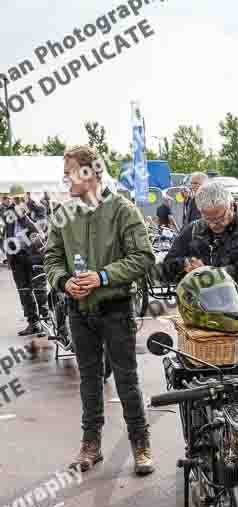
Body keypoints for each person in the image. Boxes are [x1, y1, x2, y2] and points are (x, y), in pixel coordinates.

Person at [44, 145, 156, 475]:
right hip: (78, 311)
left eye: (70, 172)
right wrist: (63, 281)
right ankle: (90, 445)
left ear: (90, 172)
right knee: (89, 380)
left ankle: (141, 443)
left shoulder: (122, 209)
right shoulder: (63, 215)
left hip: (116, 309)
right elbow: (51, 258)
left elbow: (144, 257)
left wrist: (103, 276)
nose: (66, 179)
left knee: (126, 380)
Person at [163, 180, 238, 359]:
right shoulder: (192, 230)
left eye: (220, 217)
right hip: (198, 324)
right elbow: (166, 269)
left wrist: (221, 274)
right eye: (208, 218)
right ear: (200, 211)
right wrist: (184, 264)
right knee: (199, 375)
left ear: (231, 205)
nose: (215, 224)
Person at [5, 188, 49, 335]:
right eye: (14, 198)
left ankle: (46, 323)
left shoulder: (39, 209)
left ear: (27, 195)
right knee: (24, 291)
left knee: (39, 291)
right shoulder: (8, 212)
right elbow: (7, 231)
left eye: (19, 198)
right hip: (17, 257)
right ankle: (33, 322)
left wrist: (23, 217)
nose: (17, 201)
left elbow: (40, 232)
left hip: (34, 256)